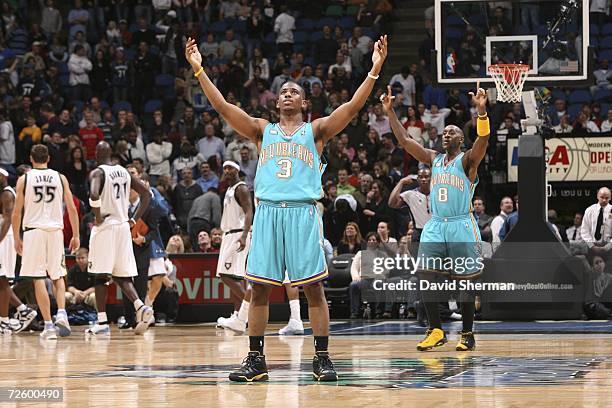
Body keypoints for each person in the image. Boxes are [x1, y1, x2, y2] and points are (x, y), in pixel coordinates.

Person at [185, 33, 388, 382]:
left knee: (313, 288)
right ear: (276, 102)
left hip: (302, 212)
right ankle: (255, 360)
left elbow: (353, 108)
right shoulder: (263, 131)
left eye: (294, 92)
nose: (287, 95)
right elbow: (222, 108)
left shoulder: (317, 131)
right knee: (260, 288)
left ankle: (322, 357)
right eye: (282, 92)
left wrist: (374, 69)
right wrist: (200, 71)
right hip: (267, 214)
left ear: (305, 102)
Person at [382, 81, 490, 352]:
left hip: (461, 224)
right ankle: (435, 330)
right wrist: (390, 112)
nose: (446, 135)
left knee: (464, 282)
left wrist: (481, 112)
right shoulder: (434, 159)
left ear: (461, 139)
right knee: (424, 277)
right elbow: (405, 141)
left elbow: (483, 140)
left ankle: (467, 333)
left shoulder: (467, 161)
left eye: (452, 132)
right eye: (445, 132)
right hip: (435, 225)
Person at [11, 145, 80, 339]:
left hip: (33, 231)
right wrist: (76, 235)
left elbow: (17, 212)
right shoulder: (60, 177)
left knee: (38, 278)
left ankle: (49, 325)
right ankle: (62, 313)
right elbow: (72, 208)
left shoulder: (24, 179)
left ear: (31, 159)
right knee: (58, 275)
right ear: (48, 158)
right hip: (55, 231)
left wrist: (16, 237)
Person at [85, 142, 153, 336]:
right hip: (123, 225)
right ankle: (141, 306)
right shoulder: (124, 172)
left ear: (97, 153)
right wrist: (134, 219)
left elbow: (93, 194)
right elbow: (147, 194)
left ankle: (102, 322)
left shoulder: (98, 172)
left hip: (106, 226)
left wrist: (97, 217)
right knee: (120, 274)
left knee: (100, 275)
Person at [215, 161, 253, 334]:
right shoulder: (229, 190)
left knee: (226, 275)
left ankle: (248, 310)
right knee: (235, 277)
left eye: (230, 168)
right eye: (224, 169)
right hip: (229, 234)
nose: (227, 171)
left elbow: (248, 212)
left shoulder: (241, 188)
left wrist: (244, 235)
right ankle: (238, 315)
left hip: (238, 235)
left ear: (238, 171)